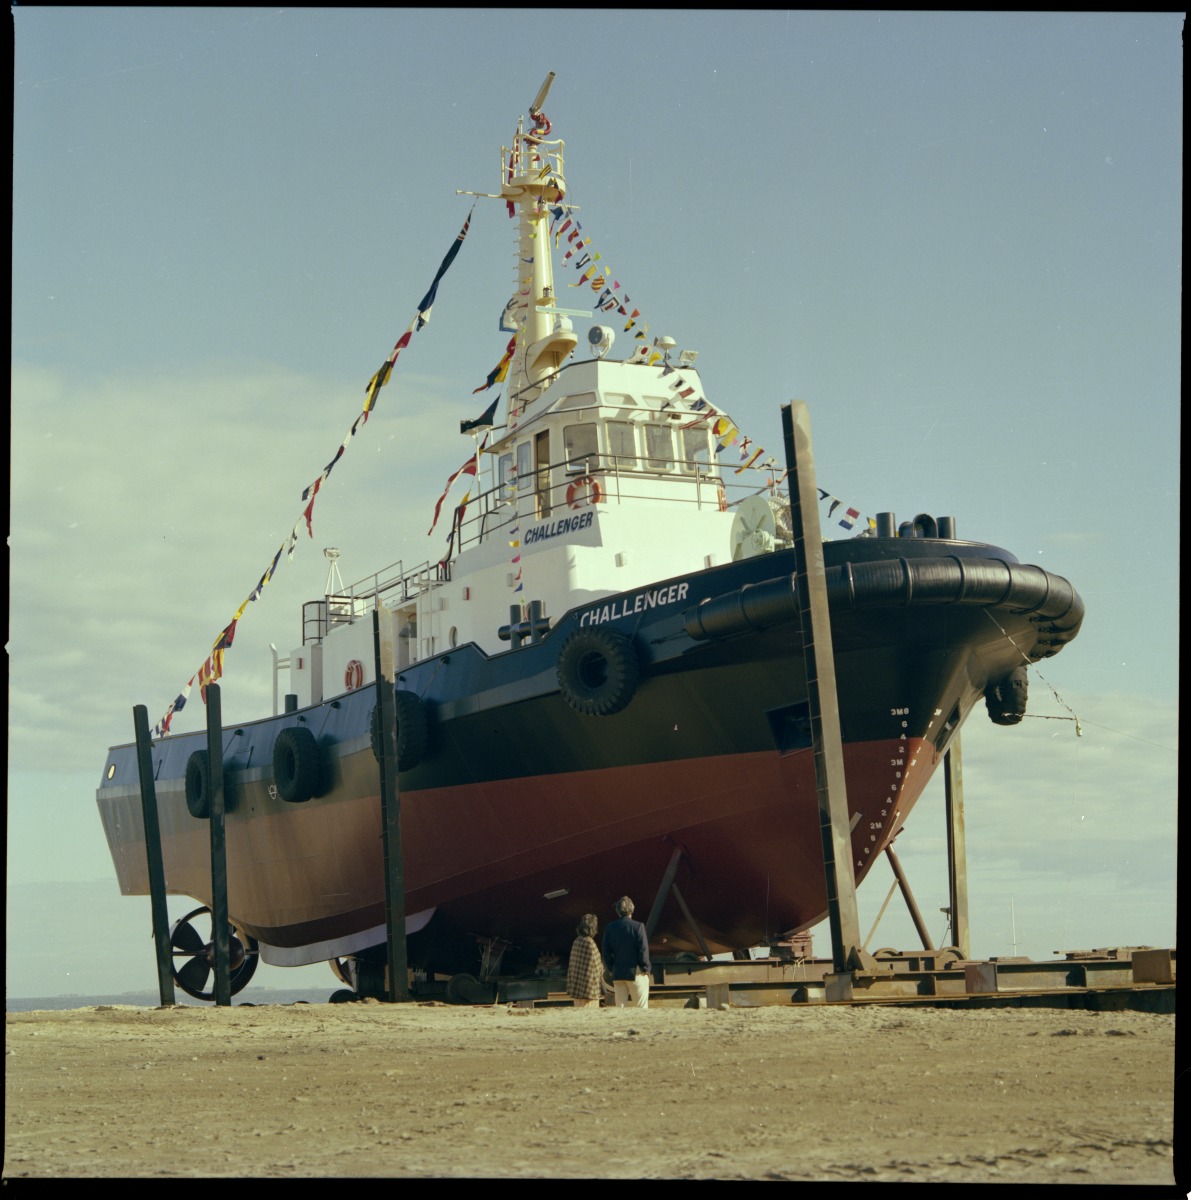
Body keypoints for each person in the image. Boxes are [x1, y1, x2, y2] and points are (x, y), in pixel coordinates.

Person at [601, 895, 651, 1008]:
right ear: (632, 909)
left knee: (620, 1009)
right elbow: (643, 950)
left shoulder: (610, 928)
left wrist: (611, 967)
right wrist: (646, 968)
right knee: (641, 1008)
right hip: (636, 972)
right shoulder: (638, 927)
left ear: (618, 911)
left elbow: (606, 951)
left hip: (618, 972)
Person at [565, 913, 604, 1007]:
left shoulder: (576, 941)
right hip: (589, 990)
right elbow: (598, 966)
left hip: (577, 987)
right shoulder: (590, 943)